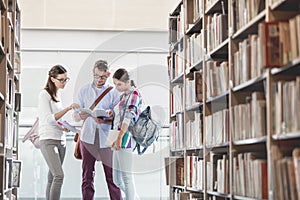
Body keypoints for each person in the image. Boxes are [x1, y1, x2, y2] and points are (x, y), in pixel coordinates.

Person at [73, 60, 122, 200]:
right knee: (87, 177)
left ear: (108, 74)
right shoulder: (84, 90)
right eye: (96, 76)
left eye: (102, 77)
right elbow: (75, 115)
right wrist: (79, 115)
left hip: (106, 139)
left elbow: (118, 115)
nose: (99, 79)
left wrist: (108, 116)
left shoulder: (113, 92)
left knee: (112, 177)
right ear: (92, 73)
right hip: (87, 138)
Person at [38, 64, 79, 200]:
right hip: (48, 140)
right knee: (59, 175)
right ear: (52, 79)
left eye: (66, 79)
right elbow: (48, 119)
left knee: (52, 177)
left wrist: (63, 128)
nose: (64, 83)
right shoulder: (44, 95)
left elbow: (55, 120)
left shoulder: (57, 94)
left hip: (60, 139)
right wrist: (68, 109)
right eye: (61, 80)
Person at [109, 68, 142, 200]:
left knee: (127, 178)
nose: (116, 87)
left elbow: (128, 117)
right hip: (117, 135)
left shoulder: (134, 94)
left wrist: (119, 138)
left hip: (125, 136)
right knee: (117, 180)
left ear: (128, 82)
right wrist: (112, 113)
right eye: (115, 84)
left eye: (119, 84)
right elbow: (121, 114)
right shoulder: (123, 95)